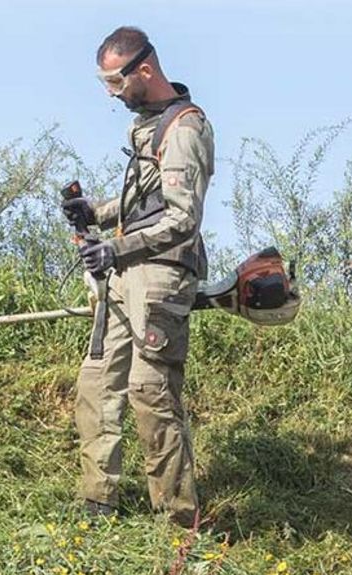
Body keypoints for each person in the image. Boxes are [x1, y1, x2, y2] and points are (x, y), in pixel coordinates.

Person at [60, 26, 214, 526]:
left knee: (152, 394)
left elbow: (180, 219)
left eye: (114, 83)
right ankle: (97, 503)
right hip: (124, 275)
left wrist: (115, 248)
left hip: (160, 277)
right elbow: (142, 204)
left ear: (143, 70)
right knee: (97, 385)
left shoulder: (184, 128)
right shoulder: (146, 126)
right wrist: (97, 213)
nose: (110, 93)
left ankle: (176, 522)